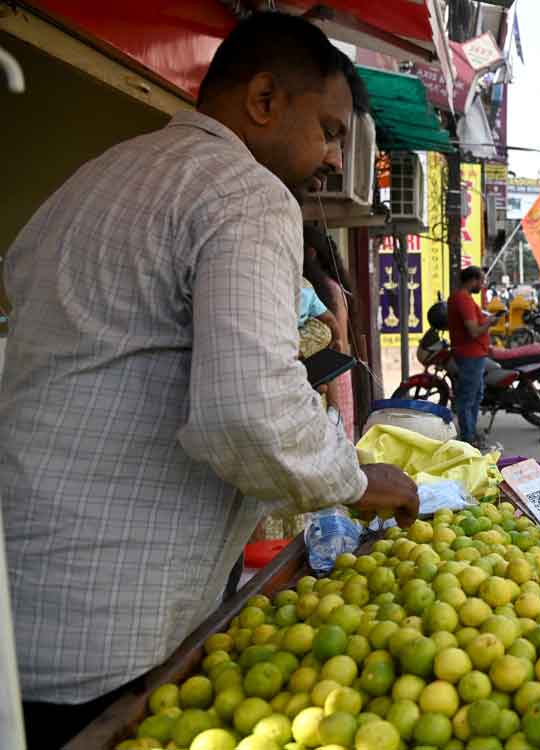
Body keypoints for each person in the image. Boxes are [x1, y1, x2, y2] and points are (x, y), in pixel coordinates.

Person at [0, 13, 419, 746]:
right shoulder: (243, 192)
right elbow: (249, 409)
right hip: (114, 628)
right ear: (264, 100)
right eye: (327, 130)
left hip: (23, 608)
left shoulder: (92, 180)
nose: (329, 159)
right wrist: (353, 478)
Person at [304, 224, 357, 440]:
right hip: (337, 372)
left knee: (334, 438)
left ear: (310, 253)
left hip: (331, 375)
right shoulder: (332, 285)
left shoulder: (318, 290)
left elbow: (330, 339)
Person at [448, 266, 501, 447]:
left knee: (475, 394)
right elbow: (473, 330)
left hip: (474, 353)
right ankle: (468, 436)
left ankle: (471, 432)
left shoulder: (464, 299)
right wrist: (490, 322)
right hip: (470, 354)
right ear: (473, 280)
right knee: (468, 397)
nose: (483, 284)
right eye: (481, 280)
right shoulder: (463, 300)